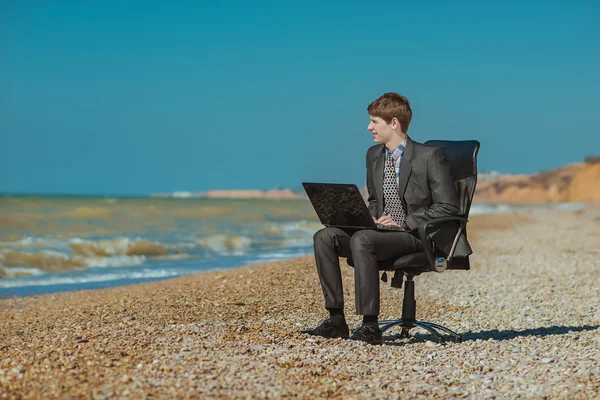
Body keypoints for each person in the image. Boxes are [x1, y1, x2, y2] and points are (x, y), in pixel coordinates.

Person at [301, 92, 461, 345]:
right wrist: (367, 217)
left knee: (363, 239)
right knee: (325, 236)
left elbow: (449, 207)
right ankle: (336, 320)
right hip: (381, 233)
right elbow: (375, 201)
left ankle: (370, 325)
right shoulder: (373, 156)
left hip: (415, 235)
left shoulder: (429, 156)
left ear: (393, 123)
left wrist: (404, 223)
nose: (369, 127)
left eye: (374, 121)